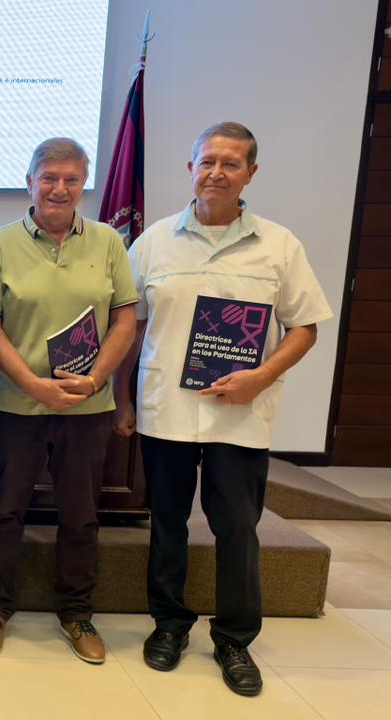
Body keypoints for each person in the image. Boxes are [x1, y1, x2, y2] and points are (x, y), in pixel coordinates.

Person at [115, 122, 333, 696]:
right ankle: (169, 625)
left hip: (240, 415)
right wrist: (121, 397)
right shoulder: (154, 242)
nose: (216, 172)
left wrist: (262, 375)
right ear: (190, 168)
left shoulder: (279, 245)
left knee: (237, 528)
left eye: (230, 163)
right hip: (166, 411)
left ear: (250, 174)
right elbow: (128, 327)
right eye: (207, 161)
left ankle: (234, 638)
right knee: (166, 524)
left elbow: (305, 327)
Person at [0, 138, 137, 663]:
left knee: (81, 515)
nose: (59, 188)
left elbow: (125, 320)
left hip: (87, 409)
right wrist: (33, 385)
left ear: (84, 184)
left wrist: (95, 380)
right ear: (30, 183)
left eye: (71, 179)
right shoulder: (0, 244)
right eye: (49, 177)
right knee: (4, 512)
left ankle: (77, 614)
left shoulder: (109, 243)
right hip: (14, 406)